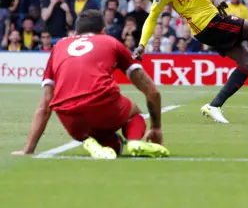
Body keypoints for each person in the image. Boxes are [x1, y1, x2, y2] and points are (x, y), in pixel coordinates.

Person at [12, 10, 169, 159]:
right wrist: (156, 128)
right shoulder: (111, 42)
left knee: (113, 145)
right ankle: (134, 141)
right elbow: (152, 91)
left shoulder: (59, 46)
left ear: (75, 32)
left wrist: (28, 149)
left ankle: (89, 141)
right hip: (103, 106)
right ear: (103, 30)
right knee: (134, 112)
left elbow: (45, 105)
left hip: (70, 120)